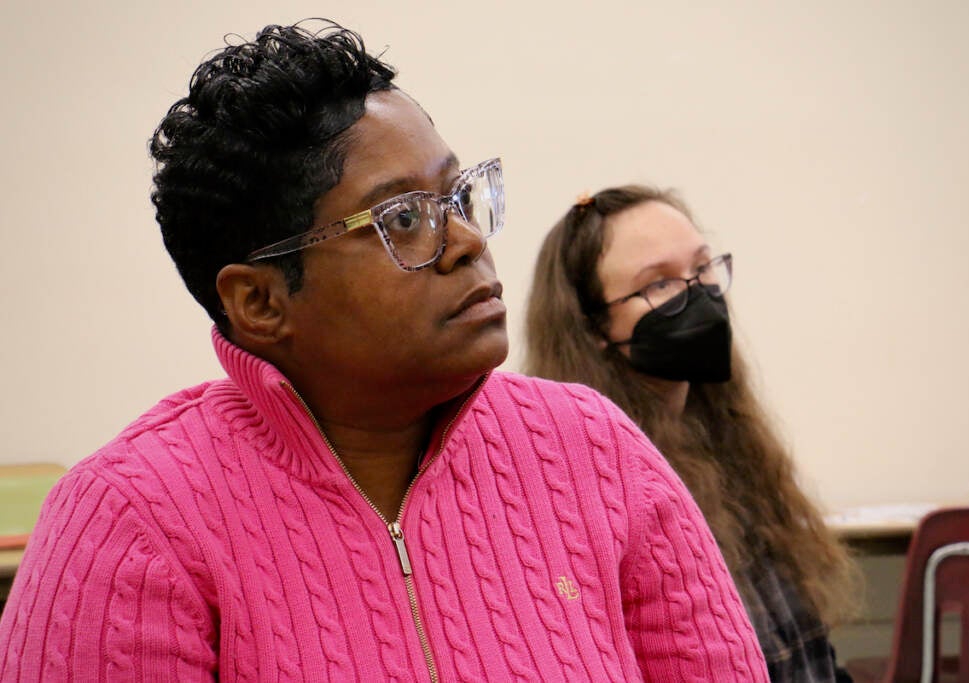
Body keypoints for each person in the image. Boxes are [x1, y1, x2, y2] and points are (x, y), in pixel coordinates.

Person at [0, 22, 769, 681]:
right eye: (404, 219)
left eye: (459, 198)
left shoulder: (594, 451)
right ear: (261, 302)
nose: (467, 242)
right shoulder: (133, 521)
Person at [524, 186, 861, 682]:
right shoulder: (585, 491)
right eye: (659, 283)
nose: (698, 293)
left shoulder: (736, 453)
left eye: (703, 269)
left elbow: (810, 653)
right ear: (592, 326)